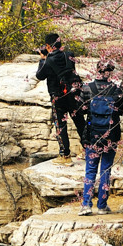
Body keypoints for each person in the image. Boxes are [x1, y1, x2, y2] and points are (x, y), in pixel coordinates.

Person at [79, 59, 123, 216]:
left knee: (90, 170)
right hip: (111, 136)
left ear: (97, 71)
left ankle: (86, 205)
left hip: (93, 135)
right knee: (106, 169)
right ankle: (102, 206)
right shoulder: (116, 90)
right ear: (111, 72)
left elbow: (81, 110)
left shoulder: (87, 88)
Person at [36, 33, 86, 166]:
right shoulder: (69, 54)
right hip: (73, 93)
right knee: (80, 121)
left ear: (47, 46)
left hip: (58, 96)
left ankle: (65, 155)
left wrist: (43, 59)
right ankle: (89, 149)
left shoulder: (48, 60)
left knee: (60, 125)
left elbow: (40, 76)